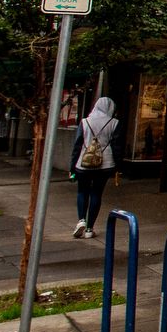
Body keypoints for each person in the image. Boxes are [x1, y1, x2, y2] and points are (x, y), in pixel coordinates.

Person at [70, 96, 119, 239]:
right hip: (105, 163)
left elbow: (78, 144)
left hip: (83, 162)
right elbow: (117, 146)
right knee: (96, 193)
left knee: (82, 191)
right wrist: (117, 165)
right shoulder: (114, 123)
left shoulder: (85, 122)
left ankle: (81, 220)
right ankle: (90, 228)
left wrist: (72, 166)